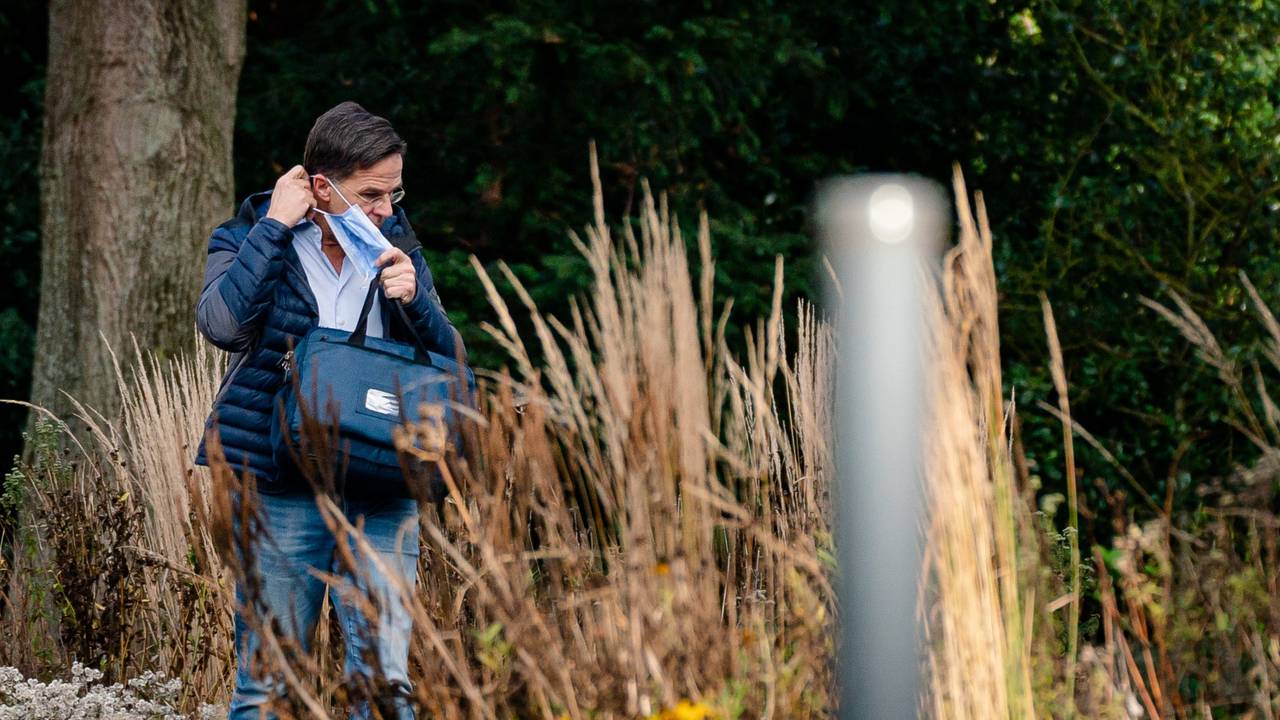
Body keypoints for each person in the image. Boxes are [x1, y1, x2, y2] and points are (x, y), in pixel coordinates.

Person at [194, 101, 462, 719]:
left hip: (383, 478)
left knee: (385, 684)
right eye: (371, 194)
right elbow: (223, 325)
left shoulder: (396, 243)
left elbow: (448, 357)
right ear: (322, 186)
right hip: (279, 483)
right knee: (270, 684)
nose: (386, 210)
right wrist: (275, 228)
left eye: (394, 193)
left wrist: (416, 300)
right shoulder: (247, 235)